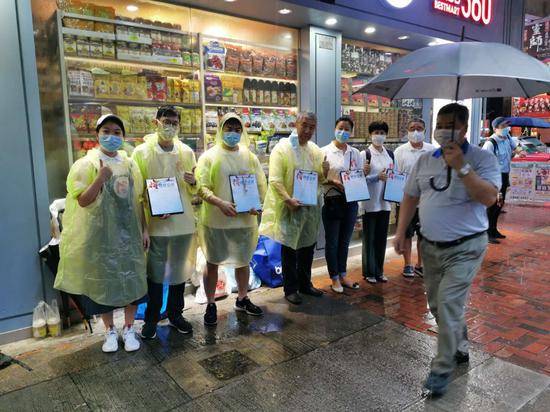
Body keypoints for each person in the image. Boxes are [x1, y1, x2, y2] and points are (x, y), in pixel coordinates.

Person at [394, 103, 501, 396]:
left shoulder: (482, 159)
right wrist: (401, 232)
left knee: (449, 302)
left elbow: (490, 198)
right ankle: (460, 343)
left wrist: (462, 168)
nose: (442, 129)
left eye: (450, 124)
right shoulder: (426, 159)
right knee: (438, 306)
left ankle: (441, 369)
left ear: (464, 128)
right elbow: (409, 196)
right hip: (429, 247)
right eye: (439, 123)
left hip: (466, 247)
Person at [55, 114, 148, 353]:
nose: (112, 136)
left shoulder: (129, 164)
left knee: (131, 280)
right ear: (97, 134)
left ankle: (129, 328)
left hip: (129, 233)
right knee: (104, 281)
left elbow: (138, 200)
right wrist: (99, 178)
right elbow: (83, 201)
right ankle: (109, 331)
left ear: (123, 136)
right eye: (106, 131)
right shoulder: (85, 164)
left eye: (117, 132)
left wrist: (144, 229)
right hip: (101, 236)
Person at [196, 113, 267, 326]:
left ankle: (242, 298)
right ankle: (210, 303)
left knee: (243, 260)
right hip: (216, 221)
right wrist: (219, 202)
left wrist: (258, 205)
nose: (233, 133)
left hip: (244, 220)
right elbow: (201, 186)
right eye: (229, 128)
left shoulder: (249, 156)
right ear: (220, 130)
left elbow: (260, 185)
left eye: (237, 129)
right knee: (213, 261)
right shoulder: (209, 157)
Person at [132, 106, 197, 339]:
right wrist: (145, 225)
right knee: (156, 274)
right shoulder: (141, 153)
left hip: (182, 223)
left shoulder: (186, 152)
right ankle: (151, 318)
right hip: (156, 225)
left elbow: (193, 191)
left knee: (179, 271)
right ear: (156, 122)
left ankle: (176, 314)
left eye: (174, 122)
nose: (170, 126)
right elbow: (137, 194)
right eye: (166, 121)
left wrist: (193, 182)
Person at [259, 112, 330, 305]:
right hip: (289, 208)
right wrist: (288, 199)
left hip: (309, 208)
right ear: (296, 123)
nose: (307, 130)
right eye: (304, 125)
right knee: (290, 248)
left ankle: (305, 284)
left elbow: (320, 179)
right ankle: (290, 288)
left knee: (307, 246)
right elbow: (274, 179)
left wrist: (324, 170)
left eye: (312, 127)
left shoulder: (315, 150)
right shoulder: (281, 148)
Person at [321, 116, 366, 293]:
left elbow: (359, 177)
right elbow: (319, 179)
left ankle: (343, 274)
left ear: (351, 131)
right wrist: (332, 181)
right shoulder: (324, 151)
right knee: (332, 242)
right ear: (334, 129)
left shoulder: (355, 153)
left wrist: (363, 174)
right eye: (340, 128)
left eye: (347, 129)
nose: (343, 132)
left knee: (344, 241)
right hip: (332, 201)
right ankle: (334, 278)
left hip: (351, 202)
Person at [394, 118, 434, 278]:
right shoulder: (400, 151)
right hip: (406, 201)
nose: (416, 132)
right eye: (412, 128)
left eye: (419, 128)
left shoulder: (432, 150)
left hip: (427, 201)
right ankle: (408, 264)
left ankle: (421, 264)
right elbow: (395, 176)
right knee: (407, 234)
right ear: (407, 131)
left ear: (425, 130)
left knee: (424, 235)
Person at [360, 121, 396, 284]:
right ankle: (369, 271)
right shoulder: (365, 154)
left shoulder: (390, 154)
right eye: (376, 132)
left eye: (382, 132)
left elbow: (393, 176)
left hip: (385, 202)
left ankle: (379, 271)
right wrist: (376, 177)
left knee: (382, 238)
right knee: (369, 238)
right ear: (370, 134)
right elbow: (359, 180)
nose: (379, 135)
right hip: (370, 203)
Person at [482, 117, 524, 244]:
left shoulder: (508, 138)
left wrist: (520, 151)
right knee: (492, 204)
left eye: (507, 125)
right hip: (493, 177)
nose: (506, 128)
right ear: (495, 129)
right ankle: (487, 233)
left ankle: (494, 229)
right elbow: (485, 163)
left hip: (504, 175)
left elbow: (515, 148)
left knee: (500, 204)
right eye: (503, 126)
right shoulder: (490, 143)